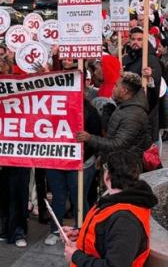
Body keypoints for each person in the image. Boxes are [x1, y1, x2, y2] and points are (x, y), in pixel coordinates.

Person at [62, 150, 158, 267]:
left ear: (107, 176)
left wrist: (76, 256)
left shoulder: (125, 221)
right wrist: (79, 232)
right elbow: (105, 232)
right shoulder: (119, 200)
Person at [44, 100, 102, 246]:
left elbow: (96, 138)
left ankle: (82, 232)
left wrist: (81, 156)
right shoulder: (49, 106)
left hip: (81, 163)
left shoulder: (90, 111)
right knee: (58, 197)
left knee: (79, 199)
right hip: (56, 161)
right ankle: (56, 231)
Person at [77, 72, 152, 156]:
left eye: (116, 86)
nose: (113, 88)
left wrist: (90, 138)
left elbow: (118, 145)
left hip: (125, 163)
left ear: (124, 91)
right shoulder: (125, 105)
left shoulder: (133, 115)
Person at [122, 27, 163, 144]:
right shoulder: (127, 58)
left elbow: (156, 81)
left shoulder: (150, 59)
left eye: (140, 39)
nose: (136, 42)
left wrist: (150, 76)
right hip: (130, 106)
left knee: (150, 143)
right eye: (133, 39)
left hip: (146, 107)